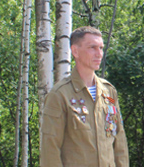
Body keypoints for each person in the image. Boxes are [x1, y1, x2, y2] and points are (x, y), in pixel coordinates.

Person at [40, 26, 128, 167]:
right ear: (75, 51)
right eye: (92, 47)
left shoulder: (109, 92)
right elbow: (50, 148)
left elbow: (119, 139)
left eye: (101, 48)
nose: (99, 54)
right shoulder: (60, 94)